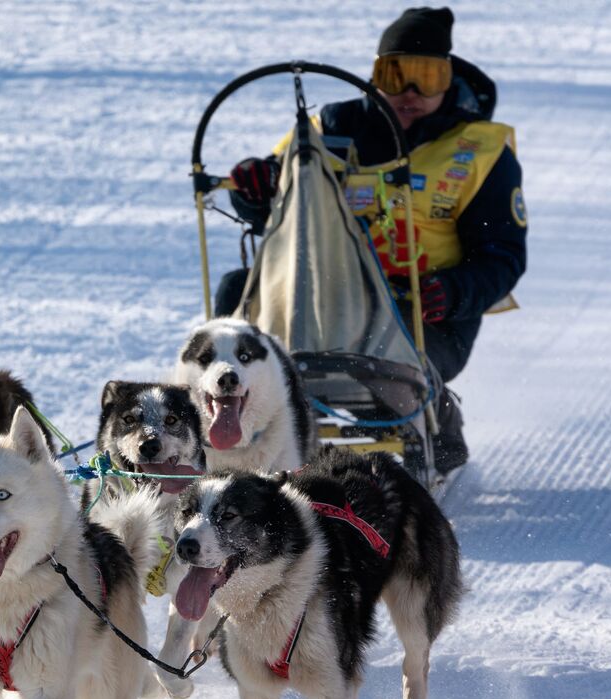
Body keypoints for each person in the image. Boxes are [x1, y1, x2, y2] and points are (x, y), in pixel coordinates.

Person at [220, 7, 527, 475]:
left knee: (393, 348)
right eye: (396, 73)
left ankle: (435, 417)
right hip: (323, 303)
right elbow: (278, 204)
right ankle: (229, 431)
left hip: (424, 314)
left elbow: (502, 255)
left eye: (427, 77)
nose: (410, 92)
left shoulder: (480, 152)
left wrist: (452, 291)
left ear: (449, 79)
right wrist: (255, 187)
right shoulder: (331, 130)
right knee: (235, 289)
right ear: (374, 74)